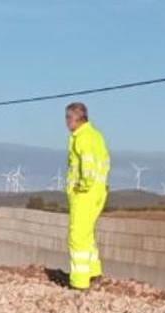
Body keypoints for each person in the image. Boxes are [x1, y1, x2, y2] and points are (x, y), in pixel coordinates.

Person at [63, 101, 111, 290]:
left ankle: (79, 282)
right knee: (87, 234)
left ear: (77, 117)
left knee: (77, 237)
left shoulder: (81, 137)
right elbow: (106, 161)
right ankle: (94, 273)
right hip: (99, 191)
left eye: (68, 117)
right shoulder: (96, 136)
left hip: (84, 193)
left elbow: (87, 165)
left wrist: (81, 186)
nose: (66, 122)